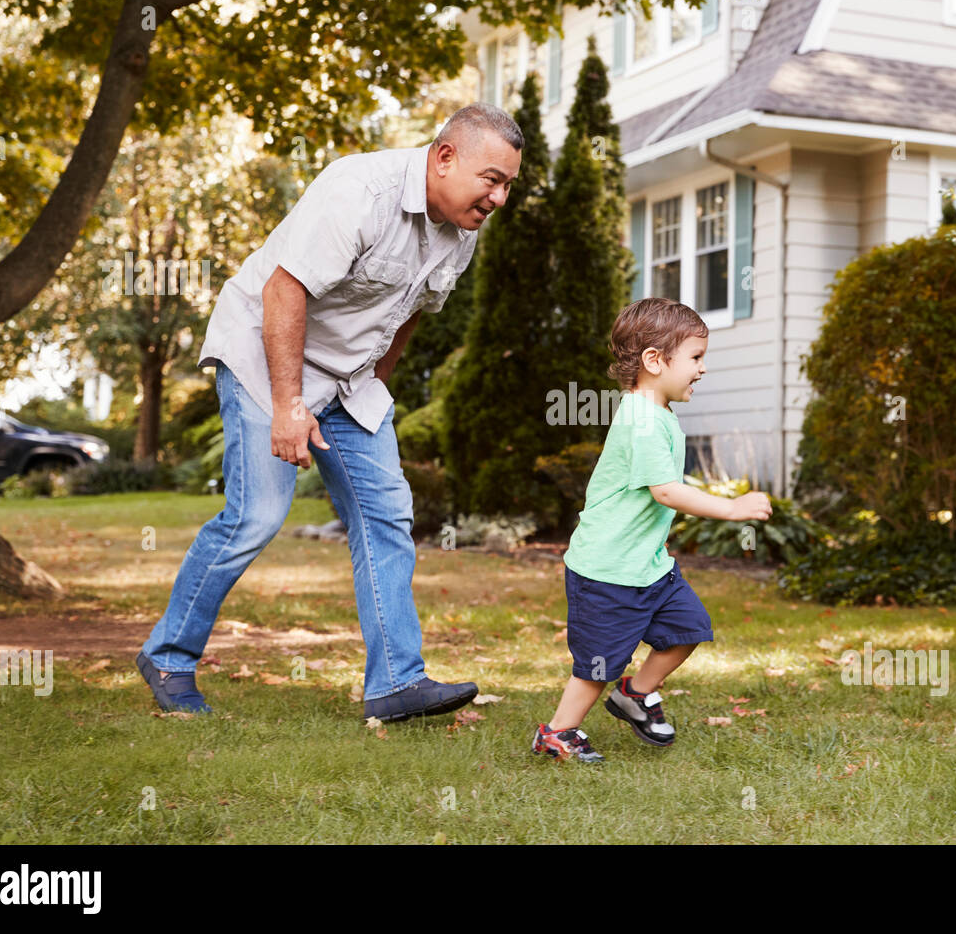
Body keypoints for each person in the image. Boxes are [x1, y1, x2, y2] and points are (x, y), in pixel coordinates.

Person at [136, 103, 522, 723]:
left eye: (508, 185)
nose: (499, 198)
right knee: (255, 516)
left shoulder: (462, 234)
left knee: (387, 513)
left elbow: (410, 315)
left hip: (348, 378)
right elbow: (282, 291)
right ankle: (169, 658)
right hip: (267, 354)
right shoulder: (358, 191)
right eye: (492, 179)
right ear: (445, 157)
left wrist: (369, 389)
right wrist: (291, 405)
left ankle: (397, 682)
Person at [532, 297, 773, 762]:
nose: (702, 369)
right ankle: (558, 732)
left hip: (647, 567)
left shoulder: (658, 414)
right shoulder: (642, 419)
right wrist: (730, 507)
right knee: (598, 664)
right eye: (696, 357)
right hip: (607, 569)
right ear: (655, 361)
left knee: (688, 627)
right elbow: (666, 491)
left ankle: (635, 694)